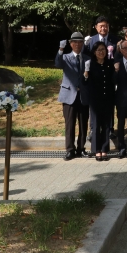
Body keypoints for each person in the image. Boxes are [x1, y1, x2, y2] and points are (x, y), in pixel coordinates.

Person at [55, 32, 89, 161]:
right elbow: (57, 63)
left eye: (80, 42)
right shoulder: (66, 57)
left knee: (83, 124)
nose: (77, 44)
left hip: (83, 95)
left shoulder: (87, 58)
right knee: (69, 124)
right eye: (75, 42)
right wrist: (61, 49)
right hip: (69, 94)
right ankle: (70, 149)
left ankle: (81, 148)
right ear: (71, 44)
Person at [81, 41, 114, 161]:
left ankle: (104, 149)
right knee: (96, 125)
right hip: (95, 99)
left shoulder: (109, 64)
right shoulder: (90, 64)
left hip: (108, 98)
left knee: (106, 125)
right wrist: (86, 73)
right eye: (99, 50)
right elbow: (84, 83)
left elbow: (112, 81)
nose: (101, 52)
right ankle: (96, 150)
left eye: (103, 50)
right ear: (94, 52)